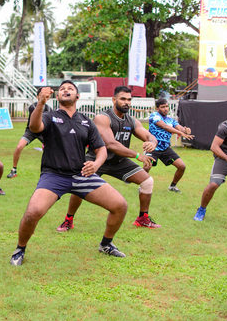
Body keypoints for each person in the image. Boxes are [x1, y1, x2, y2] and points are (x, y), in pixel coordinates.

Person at [10, 81, 128, 266]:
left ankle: (106, 244)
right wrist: (40, 102)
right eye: (62, 89)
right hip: (53, 176)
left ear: (77, 96)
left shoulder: (86, 121)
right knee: (33, 212)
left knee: (120, 205)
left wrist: (96, 164)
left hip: (80, 175)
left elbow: (102, 149)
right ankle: (20, 249)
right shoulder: (49, 116)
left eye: (70, 88)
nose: (65, 90)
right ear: (57, 97)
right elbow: (34, 127)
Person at [56, 86, 160, 232]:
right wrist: (137, 155)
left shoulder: (132, 121)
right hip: (97, 160)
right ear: (114, 99)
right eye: (123, 99)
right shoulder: (102, 118)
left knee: (147, 181)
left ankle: (142, 218)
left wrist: (151, 143)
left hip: (119, 161)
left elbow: (149, 135)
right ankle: (68, 220)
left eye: (129, 99)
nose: (126, 102)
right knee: (79, 188)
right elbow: (111, 144)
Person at [145, 98, 194, 193]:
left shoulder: (170, 120)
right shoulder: (154, 116)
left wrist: (185, 130)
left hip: (165, 148)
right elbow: (165, 127)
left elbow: (179, 127)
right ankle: (142, 184)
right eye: (162, 107)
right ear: (157, 108)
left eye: (166, 106)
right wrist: (180, 132)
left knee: (182, 166)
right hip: (153, 146)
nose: (166, 109)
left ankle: (172, 186)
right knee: (147, 166)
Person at [6, 87, 52, 178]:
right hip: (31, 131)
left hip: (43, 132)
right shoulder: (33, 107)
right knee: (19, 147)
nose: (44, 97)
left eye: (46, 96)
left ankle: (51, 172)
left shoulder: (49, 109)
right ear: (37, 96)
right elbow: (36, 122)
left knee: (53, 150)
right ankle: (14, 170)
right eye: (41, 95)